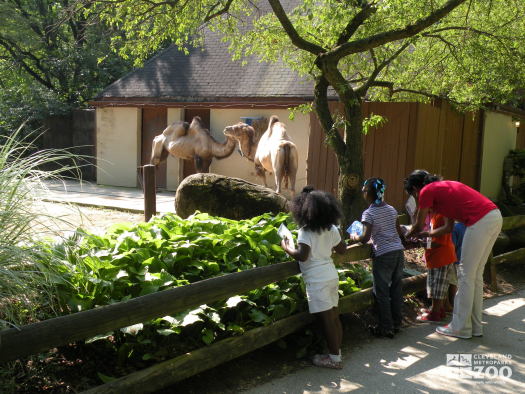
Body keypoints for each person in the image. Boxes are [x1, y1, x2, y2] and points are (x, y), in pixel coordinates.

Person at [404, 170, 502, 339]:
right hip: (494, 216)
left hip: (479, 220)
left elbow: (418, 225)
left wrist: (405, 235)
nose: (417, 199)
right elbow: (447, 228)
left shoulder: (427, 190)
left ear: (415, 188)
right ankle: (475, 326)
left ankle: (460, 327)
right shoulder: (443, 192)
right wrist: (427, 235)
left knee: (465, 275)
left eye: (414, 195)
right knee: (475, 276)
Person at [280, 186, 347, 369]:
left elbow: (302, 256)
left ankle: (334, 360)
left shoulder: (305, 231)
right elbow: (342, 249)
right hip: (331, 275)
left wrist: (286, 247)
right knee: (334, 317)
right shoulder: (332, 228)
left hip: (317, 280)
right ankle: (337, 354)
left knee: (327, 321)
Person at [349, 178, 405, 338]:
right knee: (395, 289)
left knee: (381, 292)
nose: (362, 192)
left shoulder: (369, 213)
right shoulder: (392, 209)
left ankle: (385, 327)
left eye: (364, 190)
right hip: (398, 252)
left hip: (383, 254)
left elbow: (365, 238)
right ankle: (397, 322)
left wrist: (354, 236)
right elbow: (398, 231)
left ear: (369, 194)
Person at [417, 212, 456, 322]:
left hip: (440, 256)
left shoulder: (439, 217)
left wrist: (424, 245)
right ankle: (440, 309)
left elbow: (438, 242)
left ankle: (435, 313)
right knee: (440, 285)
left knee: (437, 286)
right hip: (442, 256)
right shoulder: (437, 216)